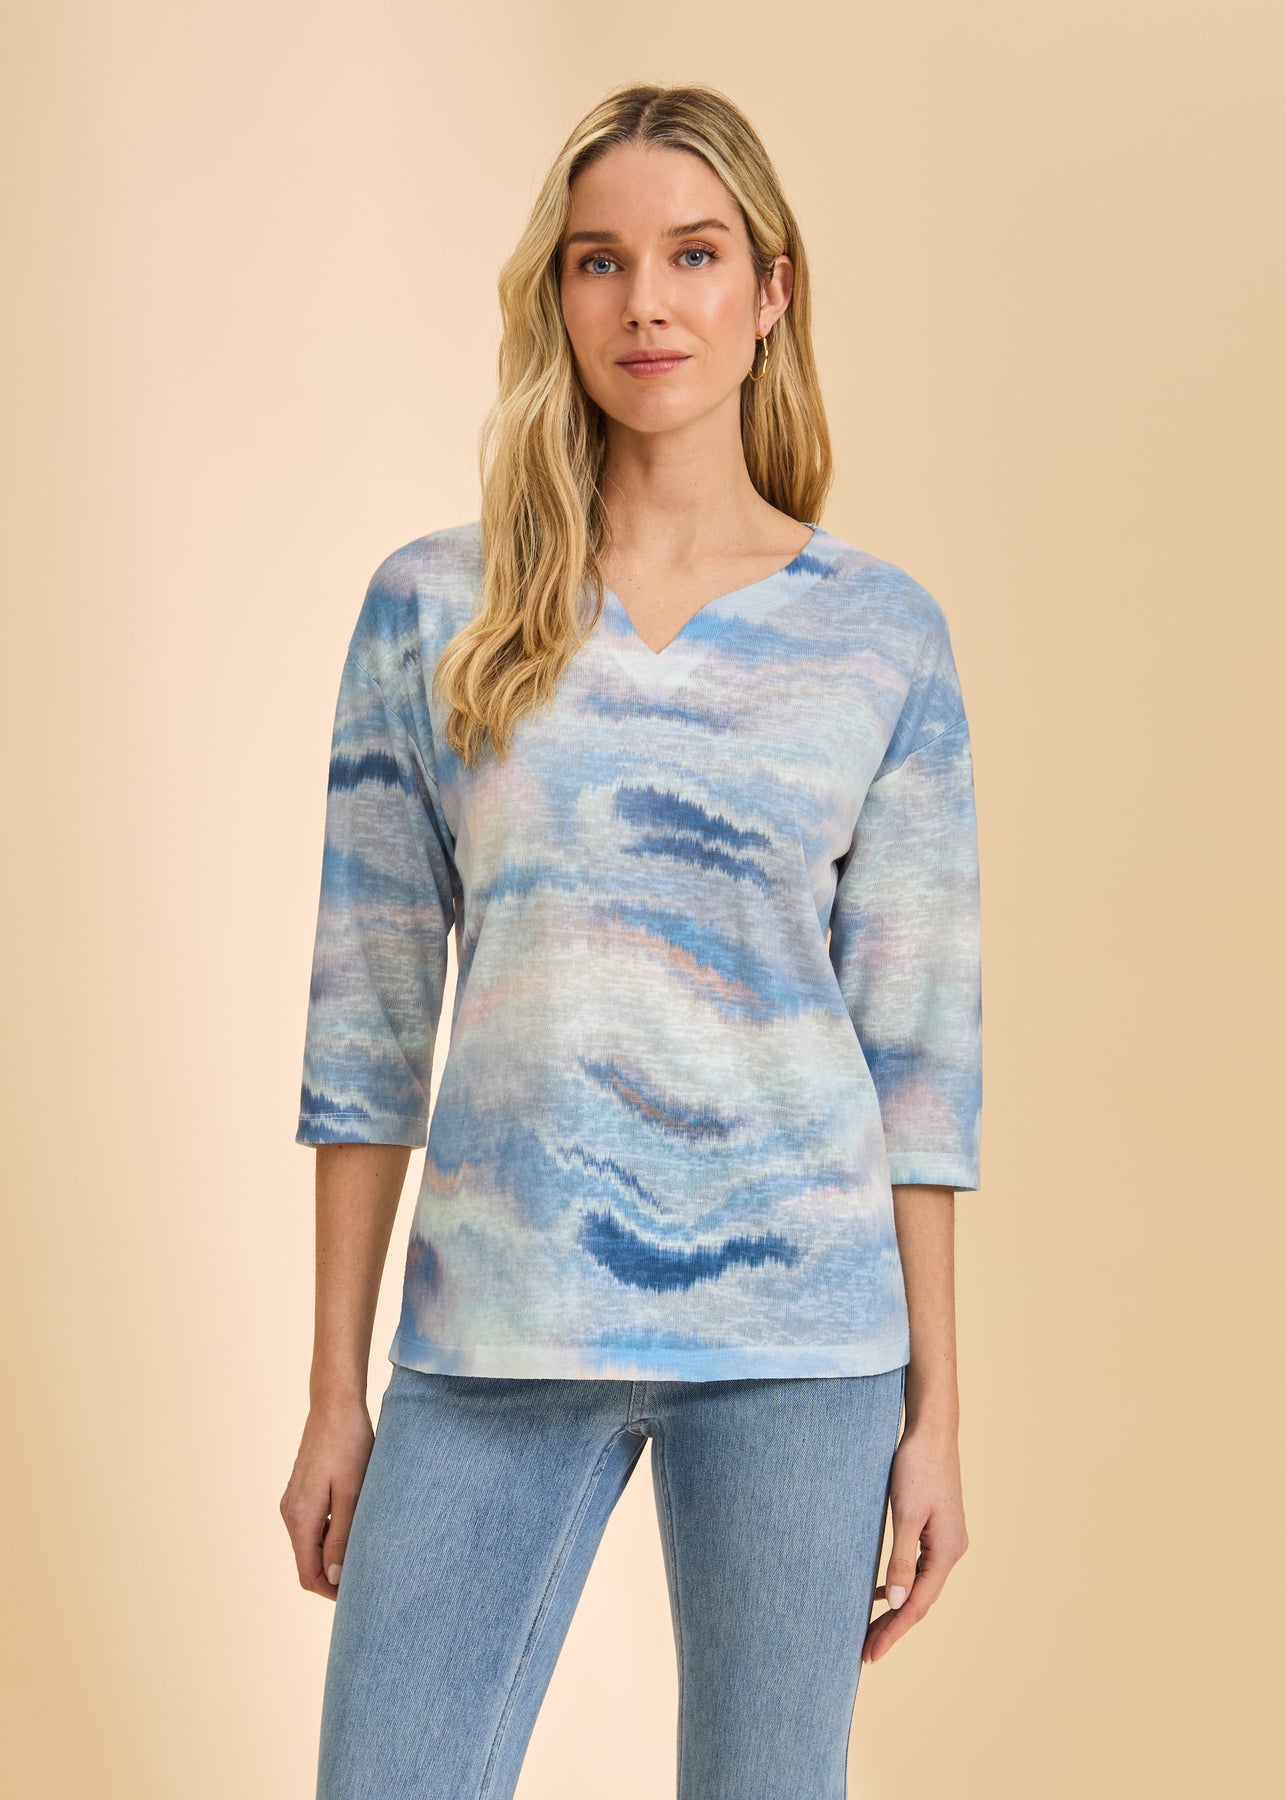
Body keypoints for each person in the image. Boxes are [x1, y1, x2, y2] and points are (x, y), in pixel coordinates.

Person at [280, 80, 983, 1800]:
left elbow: (916, 1060)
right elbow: (367, 1029)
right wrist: (333, 1391)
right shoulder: (435, 610)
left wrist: (938, 1418)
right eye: (600, 262)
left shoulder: (877, 636)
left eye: (693, 256)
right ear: (556, 295)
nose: (647, 303)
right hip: (492, 1326)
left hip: (801, 1340)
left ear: (770, 292)